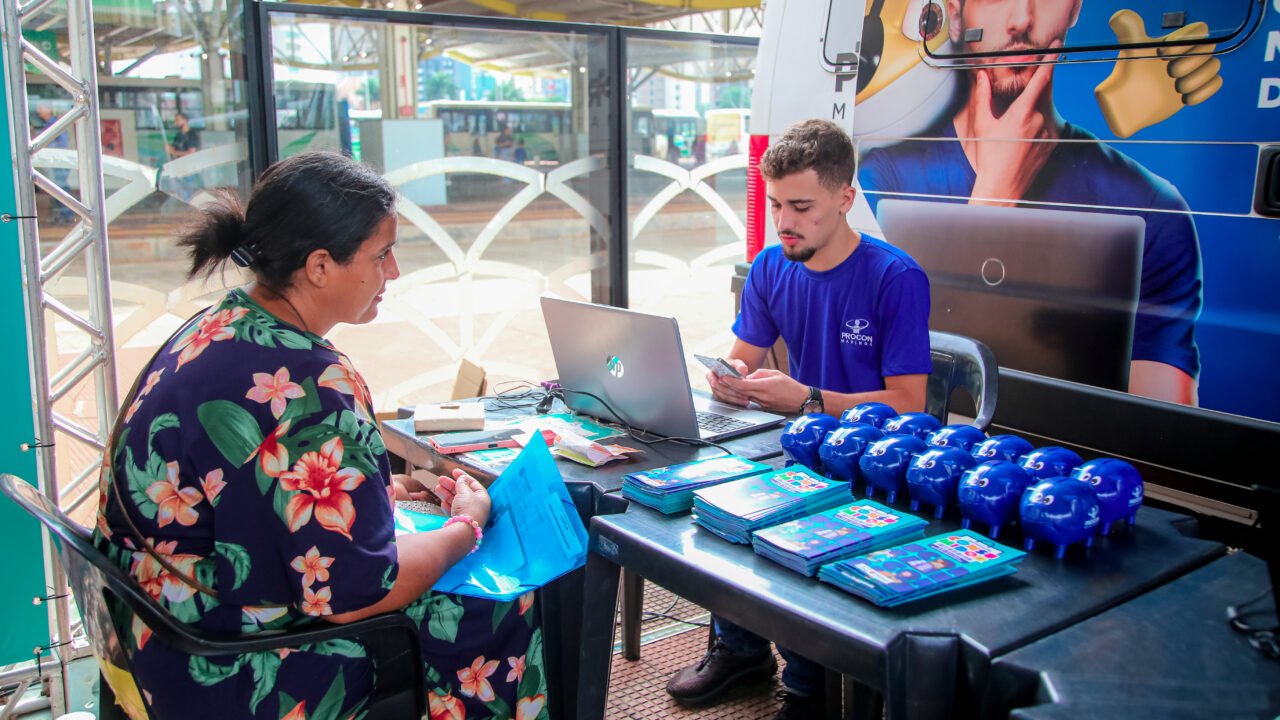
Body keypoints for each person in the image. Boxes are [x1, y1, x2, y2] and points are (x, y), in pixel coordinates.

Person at [94, 152, 548, 719]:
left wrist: (377, 498)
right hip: (229, 664)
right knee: (495, 602)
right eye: (382, 254)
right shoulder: (310, 386)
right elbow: (357, 597)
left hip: (154, 633)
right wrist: (467, 525)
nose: (395, 272)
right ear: (319, 266)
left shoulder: (218, 326)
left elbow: (249, 489)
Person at [665, 119, 932, 719]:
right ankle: (740, 649)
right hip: (793, 436)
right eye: (776, 203)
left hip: (871, 457)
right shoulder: (770, 266)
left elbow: (910, 402)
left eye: (802, 206)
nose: (784, 221)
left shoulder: (896, 278)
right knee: (718, 494)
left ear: (845, 199)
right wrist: (729, 376)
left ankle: (812, 690)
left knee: (793, 525)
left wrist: (809, 398)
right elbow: (744, 353)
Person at [859, 0, 1203, 406]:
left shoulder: (1152, 206)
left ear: (1074, 9)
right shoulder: (883, 177)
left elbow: (1163, 431)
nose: (1020, 19)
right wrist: (994, 195)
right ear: (954, 14)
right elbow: (887, 362)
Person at [34, 103, 75, 225]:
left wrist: (45, 146)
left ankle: (67, 214)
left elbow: (62, 143)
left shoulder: (56, 124)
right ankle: (63, 215)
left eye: (41, 108)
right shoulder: (49, 124)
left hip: (60, 160)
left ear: (49, 109)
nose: (39, 110)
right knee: (57, 187)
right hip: (55, 161)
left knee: (61, 187)